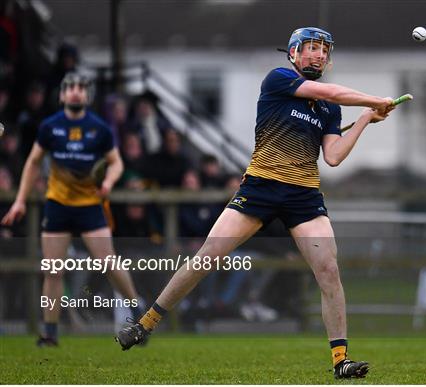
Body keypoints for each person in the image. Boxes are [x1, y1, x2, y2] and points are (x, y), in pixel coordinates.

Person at [116, 27, 395, 379]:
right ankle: (145, 324)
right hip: (260, 187)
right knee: (207, 256)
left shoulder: (328, 108)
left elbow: (334, 155)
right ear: (294, 52)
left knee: (328, 271)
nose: (320, 56)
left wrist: (368, 119)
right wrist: (371, 100)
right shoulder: (279, 79)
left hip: (303, 195)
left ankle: (341, 360)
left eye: (324, 51)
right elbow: (333, 91)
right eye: (312, 48)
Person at [1, 71, 144, 346]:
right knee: (52, 270)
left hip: (90, 207)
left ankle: (137, 309)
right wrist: (20, 200)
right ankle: (50, 332)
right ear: (62, 95)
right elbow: (32, 163)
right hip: (58, 206)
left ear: (87, 94)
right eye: (70, 87)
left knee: (109, 263)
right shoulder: (50, 127)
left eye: (81, 87)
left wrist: (110, 182)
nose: (76, 91)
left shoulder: (99, 129)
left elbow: (116, 163)